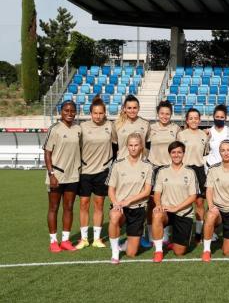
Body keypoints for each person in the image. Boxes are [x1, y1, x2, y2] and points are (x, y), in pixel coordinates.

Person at [76, 96, 117, 250]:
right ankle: (84, 238)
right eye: (95, 113)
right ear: (90, 113)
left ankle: (97, 238)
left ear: (105, 113)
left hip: (103, 171)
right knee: (84, 204)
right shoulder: (82, 127)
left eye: (101, 113)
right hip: (85, 171)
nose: (98, 116)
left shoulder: (110, 126)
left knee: (99, 204)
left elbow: (116, 146)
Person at [107, 132, 153, 264]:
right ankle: (115, 253)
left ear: (141, 146)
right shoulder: (117, 164)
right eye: (131, 145)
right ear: (127, 146)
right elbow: (111, 189)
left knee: (131, 253)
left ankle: (127, 241)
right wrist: (116, 203)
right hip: (120, 207)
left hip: (138, 209)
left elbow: (147, 191)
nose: (133, 148)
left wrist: (129, 201)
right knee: (115, 216)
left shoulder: (148, 166)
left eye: (136, 145)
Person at [151, 141, 198, 262]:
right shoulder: (162, 171)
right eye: (173, 152)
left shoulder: (190, 172)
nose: (176, 155)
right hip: (166, 211)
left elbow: (193, 196)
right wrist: (158, 205)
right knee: (157, 214)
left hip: (183, 212)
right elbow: (157, 193)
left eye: (179, 152)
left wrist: (176, 208)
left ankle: (175, 242)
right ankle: (158, 251)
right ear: (169, 154)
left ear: (183, 154)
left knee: (179, 252)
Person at [45, 100, 82, 252]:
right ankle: (53, 241)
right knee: (54, 207)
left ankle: (66, 241)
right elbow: (47, 153)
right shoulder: (54, 129)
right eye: (66, 110)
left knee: (69, 207)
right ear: (61, 112)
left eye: (72, 110)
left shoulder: (78, 129)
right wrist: (51, 174)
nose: (69, 113)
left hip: (73, 175)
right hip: (57, 175)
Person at [145, 100, 181, 246]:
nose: (165, 116)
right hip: (154, 168)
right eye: (162, 113)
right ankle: (151, 234)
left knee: (171, 200)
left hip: (170, 169)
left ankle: (167, 235)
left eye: (167, 113)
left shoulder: (176, 128)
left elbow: (179, 149)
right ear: (158, 114)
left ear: (171, 114)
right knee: (152, 202)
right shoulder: (151, 128)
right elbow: (146, 146)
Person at [177, 108, 210, 244]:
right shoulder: (181, 135)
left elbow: (205, 154)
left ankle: (198, 233)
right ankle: (181, 232)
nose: (194, 120)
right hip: (184, 170)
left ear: (199, 120)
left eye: (196, 118)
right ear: (187, 120)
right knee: (182, 202)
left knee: (199, 203)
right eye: (191, 118)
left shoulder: (204, 135)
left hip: (199, 170)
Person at [114, 95, 149, 159]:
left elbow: (148, 145)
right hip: (122, 163)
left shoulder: (146, 124)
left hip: (141, 163)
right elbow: (114, 146)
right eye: (129, 108)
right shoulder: (117, 124)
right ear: (124, 108)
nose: (132, 111)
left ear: (139, 108)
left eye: (135, 108)